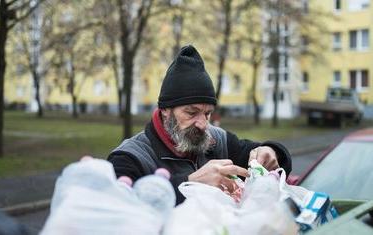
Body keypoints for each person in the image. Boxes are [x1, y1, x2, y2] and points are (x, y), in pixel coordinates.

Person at [108, 45, 292, 204]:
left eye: (207, 113)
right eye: (191, 112)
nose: (203, 124)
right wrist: (190, 183)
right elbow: (119, 207)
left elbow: (267, 156)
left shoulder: (217, 140)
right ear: (165, 110)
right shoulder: (130, 156)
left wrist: (271, 151)